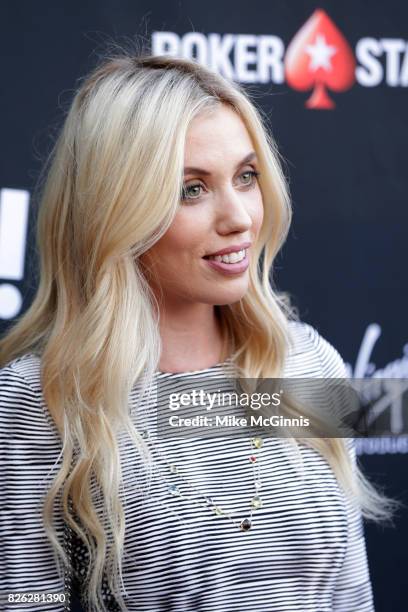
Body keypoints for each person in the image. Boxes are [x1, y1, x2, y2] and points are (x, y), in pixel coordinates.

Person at [0, 49, 398, 612]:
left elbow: (350, 595)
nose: (239, 217)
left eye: (246, 176)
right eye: (192, 188)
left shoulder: (306, 364)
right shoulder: (41, 404)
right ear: (116, 209)